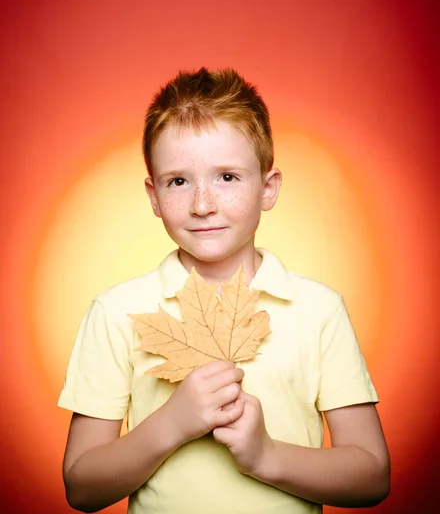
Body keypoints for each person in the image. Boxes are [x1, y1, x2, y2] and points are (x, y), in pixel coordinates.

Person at [58, 68, 390, 514]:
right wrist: (171, 424)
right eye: (179, 181)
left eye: (227, 177)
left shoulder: (319, 311)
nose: (202, 204)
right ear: (153, 196)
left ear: (268, 189)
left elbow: (372, 475)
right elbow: (82, 488)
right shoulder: (117, 313)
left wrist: (266, 457)